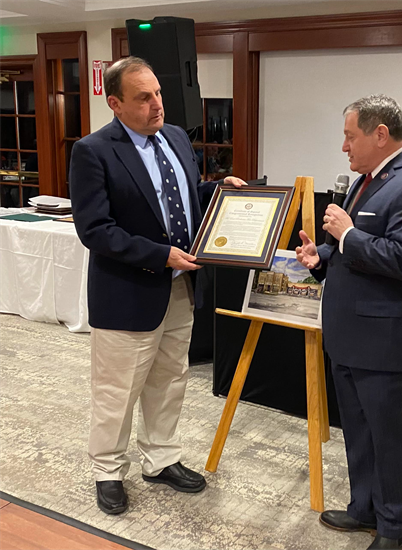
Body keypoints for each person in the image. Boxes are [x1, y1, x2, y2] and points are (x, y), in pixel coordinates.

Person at [69, 56, 246, 515]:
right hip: (127, 292)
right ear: (115, 103)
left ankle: (160, 458)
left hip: (180, 287)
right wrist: (158, 255)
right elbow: (94, 229)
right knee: (117, 389)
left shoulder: (173, 138)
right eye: (143, 98)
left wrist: (217, 189)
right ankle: (108, 469)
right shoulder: (94, 150)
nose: (156, 105)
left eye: (158, 94)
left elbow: (182, 196)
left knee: (170, 380)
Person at [296, 94, 402, 550]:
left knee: (388, 439)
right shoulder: (369, 178)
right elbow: (355, 251)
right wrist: (319, 256)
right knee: (359, 431)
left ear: (380, 134)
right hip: (351, 335)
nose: (344, 146)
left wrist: (345, 234)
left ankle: (394, 529)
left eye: (350, 135)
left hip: (388, 342)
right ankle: (364, 507)